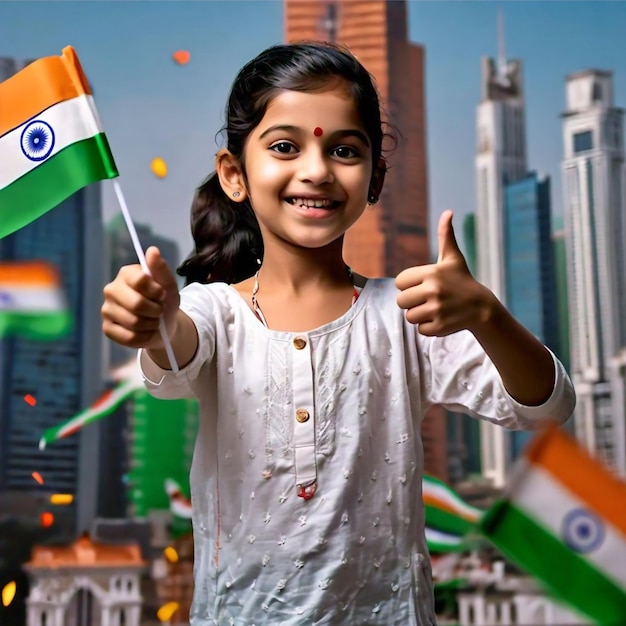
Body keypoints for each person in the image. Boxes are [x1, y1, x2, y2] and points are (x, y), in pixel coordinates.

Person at [101, 41, 575, 625]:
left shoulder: (405, 315)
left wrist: (487, 315)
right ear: (234, 174)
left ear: (375, 177)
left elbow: (545, 408)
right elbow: (176, 351)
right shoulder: (214, 312)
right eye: (284, 147)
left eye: (344, 149)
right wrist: (151, 318)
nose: (317, 170)